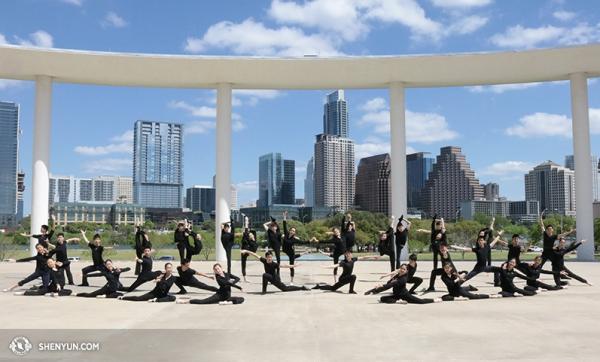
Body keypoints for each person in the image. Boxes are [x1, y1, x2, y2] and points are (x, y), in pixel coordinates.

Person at [364, 264, 441, 304]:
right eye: (401, 268)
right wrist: (373, 290)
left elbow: (390, 285)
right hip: (397, 296)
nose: (402, 270)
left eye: (404, 269)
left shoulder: (403, 279)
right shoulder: (397, 275)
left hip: (405, 295)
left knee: (420, 301)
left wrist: (382, 286)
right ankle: (398, 302)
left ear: (406, 271)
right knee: (382, 298)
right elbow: (389, 283)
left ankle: (434, 300)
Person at [241, 250, 308, 294]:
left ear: (272, 257)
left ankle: (301, 287)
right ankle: (264, 291)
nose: (270, 258)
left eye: (270, 257)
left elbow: (285, 266)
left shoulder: (274, 264)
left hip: (275, 279)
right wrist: (246, 251)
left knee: (285, 289)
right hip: (270, 278)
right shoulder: (264, 260)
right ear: (266, 257)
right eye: (268, 257)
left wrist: (294, 265)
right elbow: (254, 254)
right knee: (265, 275)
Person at [312, 250, 379, 294]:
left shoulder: (353, 259)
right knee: (353, 276)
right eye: (346, 255)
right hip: (342, 279)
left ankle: (319, 286)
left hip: (347, 278)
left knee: (333, 288)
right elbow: (336, 265)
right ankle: (351, 290)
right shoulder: (343, 262)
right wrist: (325, 267)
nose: (348, 256)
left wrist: (373, 257)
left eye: (349, 255)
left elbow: (364, 257)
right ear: (345, 256)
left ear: (351, 255)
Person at [178, 263, 244, 305]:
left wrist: (233, 282)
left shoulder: (227, 274)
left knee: (242, 299)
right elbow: (228, 284)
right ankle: (187, 301)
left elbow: (237, 278)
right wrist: (239, 287)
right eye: (215, 269)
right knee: (203, 302)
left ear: (221, 268)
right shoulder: (218, 278)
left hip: (227, 297)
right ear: (214, 271)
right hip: (219, 296)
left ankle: (228, 303)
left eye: (218, 268)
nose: (217, 270)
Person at [282, 211, 314, 284]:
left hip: (290, 252)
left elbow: (302, 242)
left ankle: (291, 281)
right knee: (294, 257)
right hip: (284, 250)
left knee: (291, 266)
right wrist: (284, 216)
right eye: (291, 230)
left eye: (294, 231)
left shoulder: (294, 239)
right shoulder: (286, 234)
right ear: (289, 230)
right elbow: (284, 225)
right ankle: (304, 253)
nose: (292, 231)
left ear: (294, 233)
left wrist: (310, 241)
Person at [240, 216, 258, 282]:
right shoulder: (246, 236)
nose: (250, 234)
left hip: (250, 249)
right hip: (245, 250)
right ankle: (244, 277)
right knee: (243, 263)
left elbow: (255, 245)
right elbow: (246, 229)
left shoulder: (253, 236)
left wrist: (247, 222)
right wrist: (246, 222)